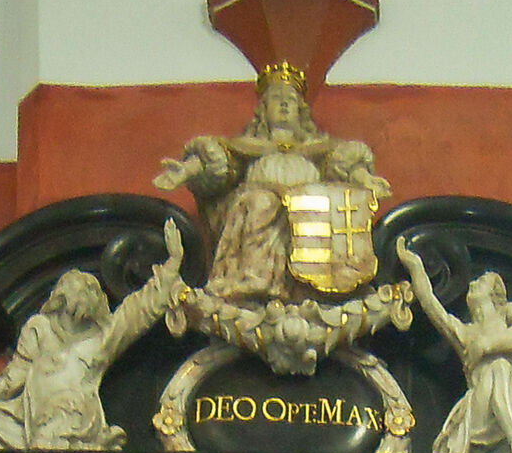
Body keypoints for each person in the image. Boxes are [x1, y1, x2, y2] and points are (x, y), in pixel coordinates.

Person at [154, 67, 388, 306]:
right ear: (263, 110)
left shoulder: (319, 148)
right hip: (260, 200)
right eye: (277, 99)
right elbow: (215, 163)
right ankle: (255, 279)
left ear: (300, 111)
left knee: (315, 207)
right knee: (261, 202)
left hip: (306, 210)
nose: (284, 105)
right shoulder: (247, 147)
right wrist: (186, 171)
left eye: (290, 101)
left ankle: (310, 286)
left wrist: (366, 180)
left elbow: (345, 166)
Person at [0, 222, 185, 452]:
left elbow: (139, 311)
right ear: (62, 295)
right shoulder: (39, 328)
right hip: (27, 417)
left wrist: (173, 264)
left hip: (71, 414)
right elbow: (16, 374)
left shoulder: (101, 339)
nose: (85, 295)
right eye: (79, 289)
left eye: (90, 290)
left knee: (51, 447)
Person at [396, 241, 512, 453]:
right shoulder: (465, 333)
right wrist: (415, 266)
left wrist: (486, 346)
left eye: (481, 281)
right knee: (498, 368)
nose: (473, 283)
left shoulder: (508, 313)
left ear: (495, 295)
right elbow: (430, 304)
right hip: (481, 413)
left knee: (499, 367)